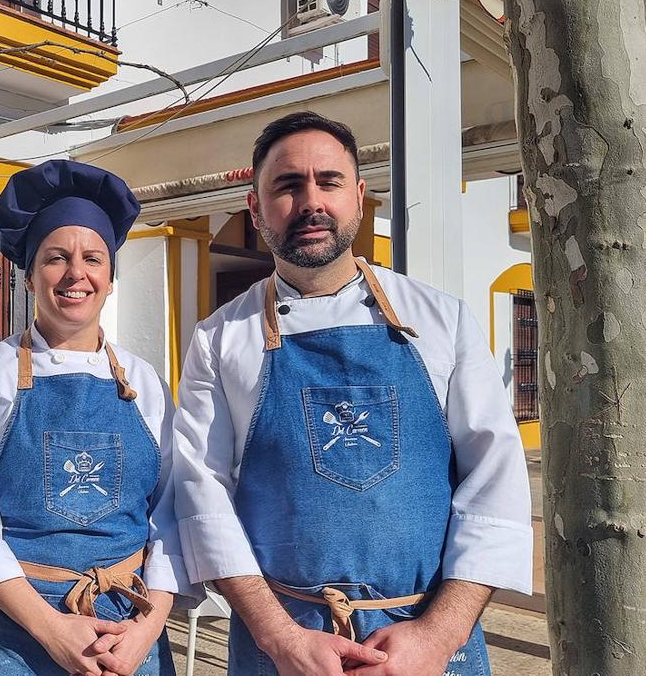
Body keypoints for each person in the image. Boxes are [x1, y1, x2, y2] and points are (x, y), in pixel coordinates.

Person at [171, 112, 533, 676]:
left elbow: (496, 483)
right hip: (285, 652)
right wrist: (279, 637)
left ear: (359, 197)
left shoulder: (442, 321)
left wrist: (439, 636)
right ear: (255, 207)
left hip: (425, 645)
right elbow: (201, 496)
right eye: (287, 186)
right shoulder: (219, 339)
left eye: (329, 181)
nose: (311, 201)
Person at [0, 160, 196, 676]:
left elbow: (173, 518)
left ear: (111, 279)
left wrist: (146, 631)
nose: (77, 273)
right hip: (19, 634)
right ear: (29, 276)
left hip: (130, 632)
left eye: (93, 258)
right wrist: (53, 630)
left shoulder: (145, 384)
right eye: (56, 258)